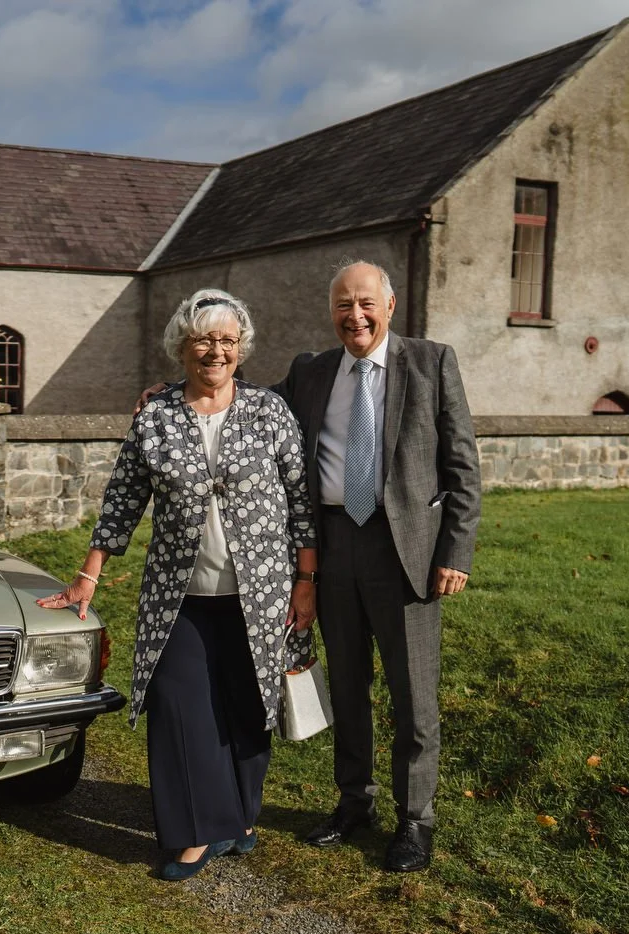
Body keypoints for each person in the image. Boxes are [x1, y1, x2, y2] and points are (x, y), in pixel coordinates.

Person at [135, 262, 481, 873]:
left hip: (406, 552)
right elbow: (236, 397)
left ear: (390, 304)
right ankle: (355, 804)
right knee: (348, 687)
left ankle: (415, 820)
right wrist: (170, 392)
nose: (356, 316)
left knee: (413, 695)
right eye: (344, 306)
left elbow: (462, 470)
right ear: (333, 313)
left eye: (366, 303)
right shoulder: (310, 372)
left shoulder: (431, 363)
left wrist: (454, 553)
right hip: (332, 547)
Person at [39, 289, 317, 882]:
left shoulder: (269, 412)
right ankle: (194, 832)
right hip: (180, 595)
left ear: (241, 349)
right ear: (181, 347)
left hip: (261, 592)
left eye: (226, 340)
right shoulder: (157, 413)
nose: (214, 351)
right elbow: (122, 501)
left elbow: (301, 502)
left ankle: (240, 819)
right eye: (202, 339)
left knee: (248, 706)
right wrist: (88, 576)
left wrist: (306, 581)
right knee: (177, 703)